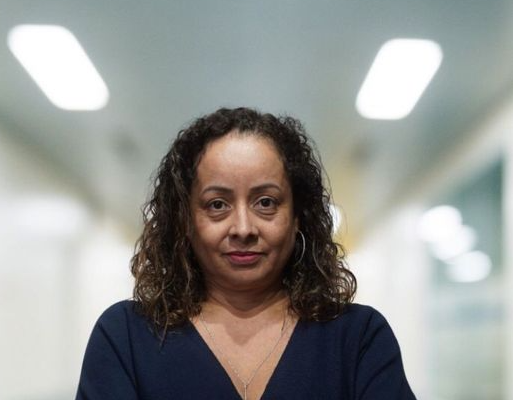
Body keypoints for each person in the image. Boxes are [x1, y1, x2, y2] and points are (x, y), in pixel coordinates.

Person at [76, 107, 416, 400]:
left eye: (266, 202)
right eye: (217, 205)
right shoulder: (126, 337)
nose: (243, 228)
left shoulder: (358, 338)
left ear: (298, 216)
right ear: (185, 221)